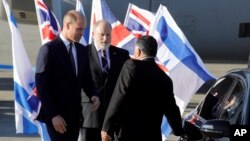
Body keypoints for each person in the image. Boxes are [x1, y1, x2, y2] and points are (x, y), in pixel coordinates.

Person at [101, 35, 185, 141]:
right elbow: (171, 109)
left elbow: (118, 97)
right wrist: (179, 130)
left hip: (128, 134)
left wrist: (107, 128)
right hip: (152, 136)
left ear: (138, 52)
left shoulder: (131, 66)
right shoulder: (164, 79)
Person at [35, 10, 99, 141]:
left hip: (75, 116)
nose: (82, 33)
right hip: (57, 117)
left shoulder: (82, 50)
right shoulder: (49, 50)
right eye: (79, 29)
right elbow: (42, 87)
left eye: (83, 29)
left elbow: (86, 79)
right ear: (67, 25)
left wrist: (93, 94)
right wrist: (54, 115)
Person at [78, 20, 130, 141]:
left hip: (114, 118)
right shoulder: (82, 53)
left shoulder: (122, 55)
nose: (105, 38)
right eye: (101, 34)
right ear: (93, 34)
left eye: (108, 34)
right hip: (89, 116)